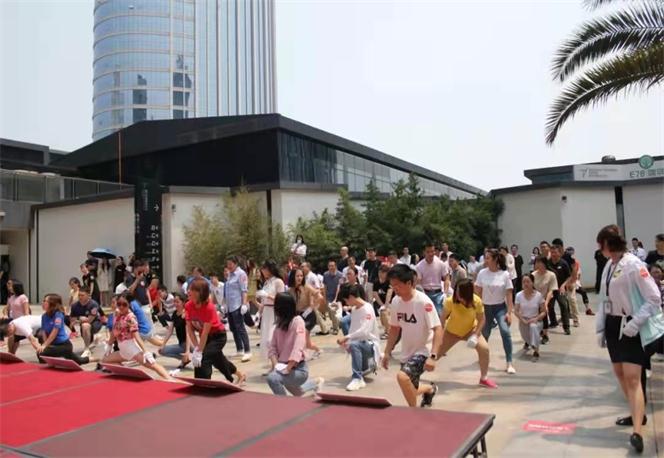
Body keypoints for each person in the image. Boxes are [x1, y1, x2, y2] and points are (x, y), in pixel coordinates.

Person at [595, 225, 663, 454]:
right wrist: (601, 327)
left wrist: (635, 323)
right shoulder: (610, 265)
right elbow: (605, 297)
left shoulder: (634, 264)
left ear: (608, 243)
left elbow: (654, 298)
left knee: (633, 378)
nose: (599, 248)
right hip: (613, 326)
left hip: (632, 326)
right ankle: (637, 413)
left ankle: (637, 432)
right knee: (620, 373)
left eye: (601, 244)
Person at [382, 264, 442, 408]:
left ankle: (413, 414)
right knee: (411, 389)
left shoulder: (424, 302)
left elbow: (438, 328)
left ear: (409, 283)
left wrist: (433, 356)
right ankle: (430, 389)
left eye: (397, 285)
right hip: (407, 351)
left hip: (423, 351)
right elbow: (394, 328)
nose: (395, 289)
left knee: (402, 377)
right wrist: (387, 352)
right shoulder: (396, 301)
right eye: (392, 286)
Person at [438, 278, 497, 388]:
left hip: (470, 330)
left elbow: (482, 319)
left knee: (484, 349)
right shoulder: (450, 301)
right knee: (435, 354)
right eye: (456, 292)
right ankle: (414, 373)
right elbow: (442, 319)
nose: (457, 295)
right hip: (451, 332)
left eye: (460, 293)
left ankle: (484, 378)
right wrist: (440, 335)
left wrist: (476, 334)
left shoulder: (477, 301)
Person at [185, 278, 245, 383]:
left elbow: (205, 333)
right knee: (218, 360)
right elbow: (190, 330)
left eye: (192, 289)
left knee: (205, 357)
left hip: (218, 336)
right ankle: (240, 374)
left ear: (200, 293)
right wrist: (196, 348)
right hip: (206, 337)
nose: (189, 291)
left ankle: (203, 384)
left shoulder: (209, 307)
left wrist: (200, 352)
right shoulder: (188, 306)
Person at [101, 293, 171, 379]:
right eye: (119, 304)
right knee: (105, 360)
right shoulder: (116, 315)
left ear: (129, 305)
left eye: (124, 304)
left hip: (132, 350)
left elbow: (137, 336)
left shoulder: (130, 318)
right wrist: (109, 345)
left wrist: (145, 351)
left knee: (153, 365)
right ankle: (127, 373)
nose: (121, 307)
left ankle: (170, 379)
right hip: (122, 351)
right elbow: (113, 332)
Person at [266, 293, 324, 396]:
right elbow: (272, 347)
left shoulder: (298, 321)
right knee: (299, 395)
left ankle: (283, 404)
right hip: (283, 367)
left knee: (272, 378)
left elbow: (298, 347)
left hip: (298, 369)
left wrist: (288, 368)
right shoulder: (278, 324)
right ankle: (315, 383)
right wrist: (276, 366)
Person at [475, 249, 516, 374]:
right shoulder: (482, 273)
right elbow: (478, 292)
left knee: (505, 331)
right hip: (485, 307)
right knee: (485, 334)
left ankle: (509, 362)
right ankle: (482, 358)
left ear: (495, 259)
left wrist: (509, 312)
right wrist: (476, 311)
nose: (485, 260)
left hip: (500, 308)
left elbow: (509, 294)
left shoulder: (504, 274)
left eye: (488, 258)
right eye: (485, 258)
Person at [336, 284, 380, 391]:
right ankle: (366, 368)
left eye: (346, 300)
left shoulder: (367, 309)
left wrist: (347, 337)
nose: (346, 303)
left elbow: (365, 331)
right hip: (362, 345)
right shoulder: (355, 309)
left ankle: (358, 378)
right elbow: (353, 330)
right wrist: (346, 342)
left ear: (351, 297)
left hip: (370, 345)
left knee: (355, 344)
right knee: (353, 344)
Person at [38, 294, 95, 365]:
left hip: (63, 345)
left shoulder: (58, 315)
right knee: (41, 352)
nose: (42, 303)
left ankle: (90, 359)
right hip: (53, 345)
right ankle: (54, 361)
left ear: (52, 304)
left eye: (45, 301)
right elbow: (44, 332)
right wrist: (45, 345)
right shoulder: (44, 316)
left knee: (79, 361)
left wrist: (45, 345)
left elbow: (55, 332)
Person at [289, 268, 326, 353]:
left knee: (302, 334)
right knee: (307, 342)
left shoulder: (306, 287)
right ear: (293, 277)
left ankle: (300, 355)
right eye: (297, 276)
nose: (300, 278)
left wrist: (312, 308)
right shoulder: (290, 290)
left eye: (301, 276)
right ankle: (318, 350)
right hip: (298, 316)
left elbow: (320, 297)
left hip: (309, 315)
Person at [224, 256, 252, 362]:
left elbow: (244, 290)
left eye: (230, 264)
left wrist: (244, 304)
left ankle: (248, 351)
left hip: (237, 305)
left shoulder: (241, 274)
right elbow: (227, 291)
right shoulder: (230, 275)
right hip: (230, 306)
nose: (228, 266)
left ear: (235, 263)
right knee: (233, 328)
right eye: (227, 264)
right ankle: (239, 349)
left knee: (240, 328)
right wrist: (225, 304)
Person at [257, 260, 287, 358]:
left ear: (270, 269)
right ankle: (273, 362)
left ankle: (279, 360)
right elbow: (263, 302)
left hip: (275, 311)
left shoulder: (278, 281)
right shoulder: (266, 283)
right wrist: (258, 313)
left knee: (272, 338)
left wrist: (267, 295)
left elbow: (282, 298)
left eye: (264, 268)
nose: (262, 271)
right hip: (266, 312)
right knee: (266, 339)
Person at [514, 273, 547, 361]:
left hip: (536, 320)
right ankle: (530, 342)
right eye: (524, 282)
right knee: (527, 337)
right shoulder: (519, 295)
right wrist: (522, 320)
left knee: (533, 327)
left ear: (532, 283)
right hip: (524, 320)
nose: (526, 284)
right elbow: (516, 311)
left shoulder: (538, 295)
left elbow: (544, 311)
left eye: (528, 282)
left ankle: (536, 352)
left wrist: (536, 319)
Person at [159, 292, 191, 368]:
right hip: (181, 344)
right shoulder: (175, 314)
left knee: (203, 355)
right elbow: (170, 331)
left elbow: (188, 334)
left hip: (190, 343)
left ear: (183, 302)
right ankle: (184, 359)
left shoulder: (186, 314)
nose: (175, 304)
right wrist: (163, 344)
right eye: (174, 302)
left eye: (177, 302)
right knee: (162, 351)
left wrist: (187, 351)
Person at [70, 287, 104, 357]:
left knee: (85, 325)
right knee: (86, 334)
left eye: (82, 295)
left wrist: (77, 321)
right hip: (82, 324)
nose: (80, 297)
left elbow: (89, 320)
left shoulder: (93, 304)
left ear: (88, 295)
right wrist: (79, 318)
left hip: (95, 323)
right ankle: (94, 339)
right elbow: (71, 318)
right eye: (79, 295)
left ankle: (86, 349)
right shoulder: (74, 305)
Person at [416, 243, 449, 315]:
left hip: (438, 294)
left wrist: (445, 293)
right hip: (425, 293)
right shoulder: (419, 266)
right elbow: (418, 282)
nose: (430, 254)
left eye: (432, 251)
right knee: (426, 315)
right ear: (424, 252)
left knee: (439, 314)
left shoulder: (440, 263)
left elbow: (446, 278)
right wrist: (422, 294)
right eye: (428, 252)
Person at [532, 256, 558, 345]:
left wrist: (545, 303)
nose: (537, 264)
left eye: (539, 262)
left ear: (544, 263)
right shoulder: (533, 275)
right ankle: (535, 334)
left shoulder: (551, 275)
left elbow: (551, 290)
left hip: (547, 297)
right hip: (535, 298)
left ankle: (545, 335)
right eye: (536, 262)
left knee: (544, 313)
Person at [548, 245, 573, 333]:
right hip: (551, 289)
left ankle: (566, 327)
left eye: (555, 252)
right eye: (552, 252)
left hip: (560, 289)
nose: (553, 254)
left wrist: (563, 285)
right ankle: (553, 322)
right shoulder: (548, 263)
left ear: (559, 253)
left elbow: (569, 276)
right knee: (550, 306)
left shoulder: (563, 263)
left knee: (563, 305)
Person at [322, 259, 343, 335]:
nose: (331, 267)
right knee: (331, 315)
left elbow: (339, 287)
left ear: (335, 266)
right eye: (329, 266)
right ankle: (338, 323)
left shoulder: (340, 275)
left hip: (338, 296)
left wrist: (335, 299)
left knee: (333, 312)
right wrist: (324, 297)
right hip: (329, 296)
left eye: (332, 266)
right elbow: (325, 287)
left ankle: (335, 328)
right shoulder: (325, 275)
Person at [373, 265, 394, 339]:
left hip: (391, 302)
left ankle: (388, 332)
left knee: (384, 313)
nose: (380, 274)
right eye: (379, 272)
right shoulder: (376, 281)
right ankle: (387, 330)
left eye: (383, 272)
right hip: (382, 303)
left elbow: (389, 294)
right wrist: (382, 305)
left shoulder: (389, 281)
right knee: (382, 319)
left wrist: (386, 305)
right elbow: (375, 294)